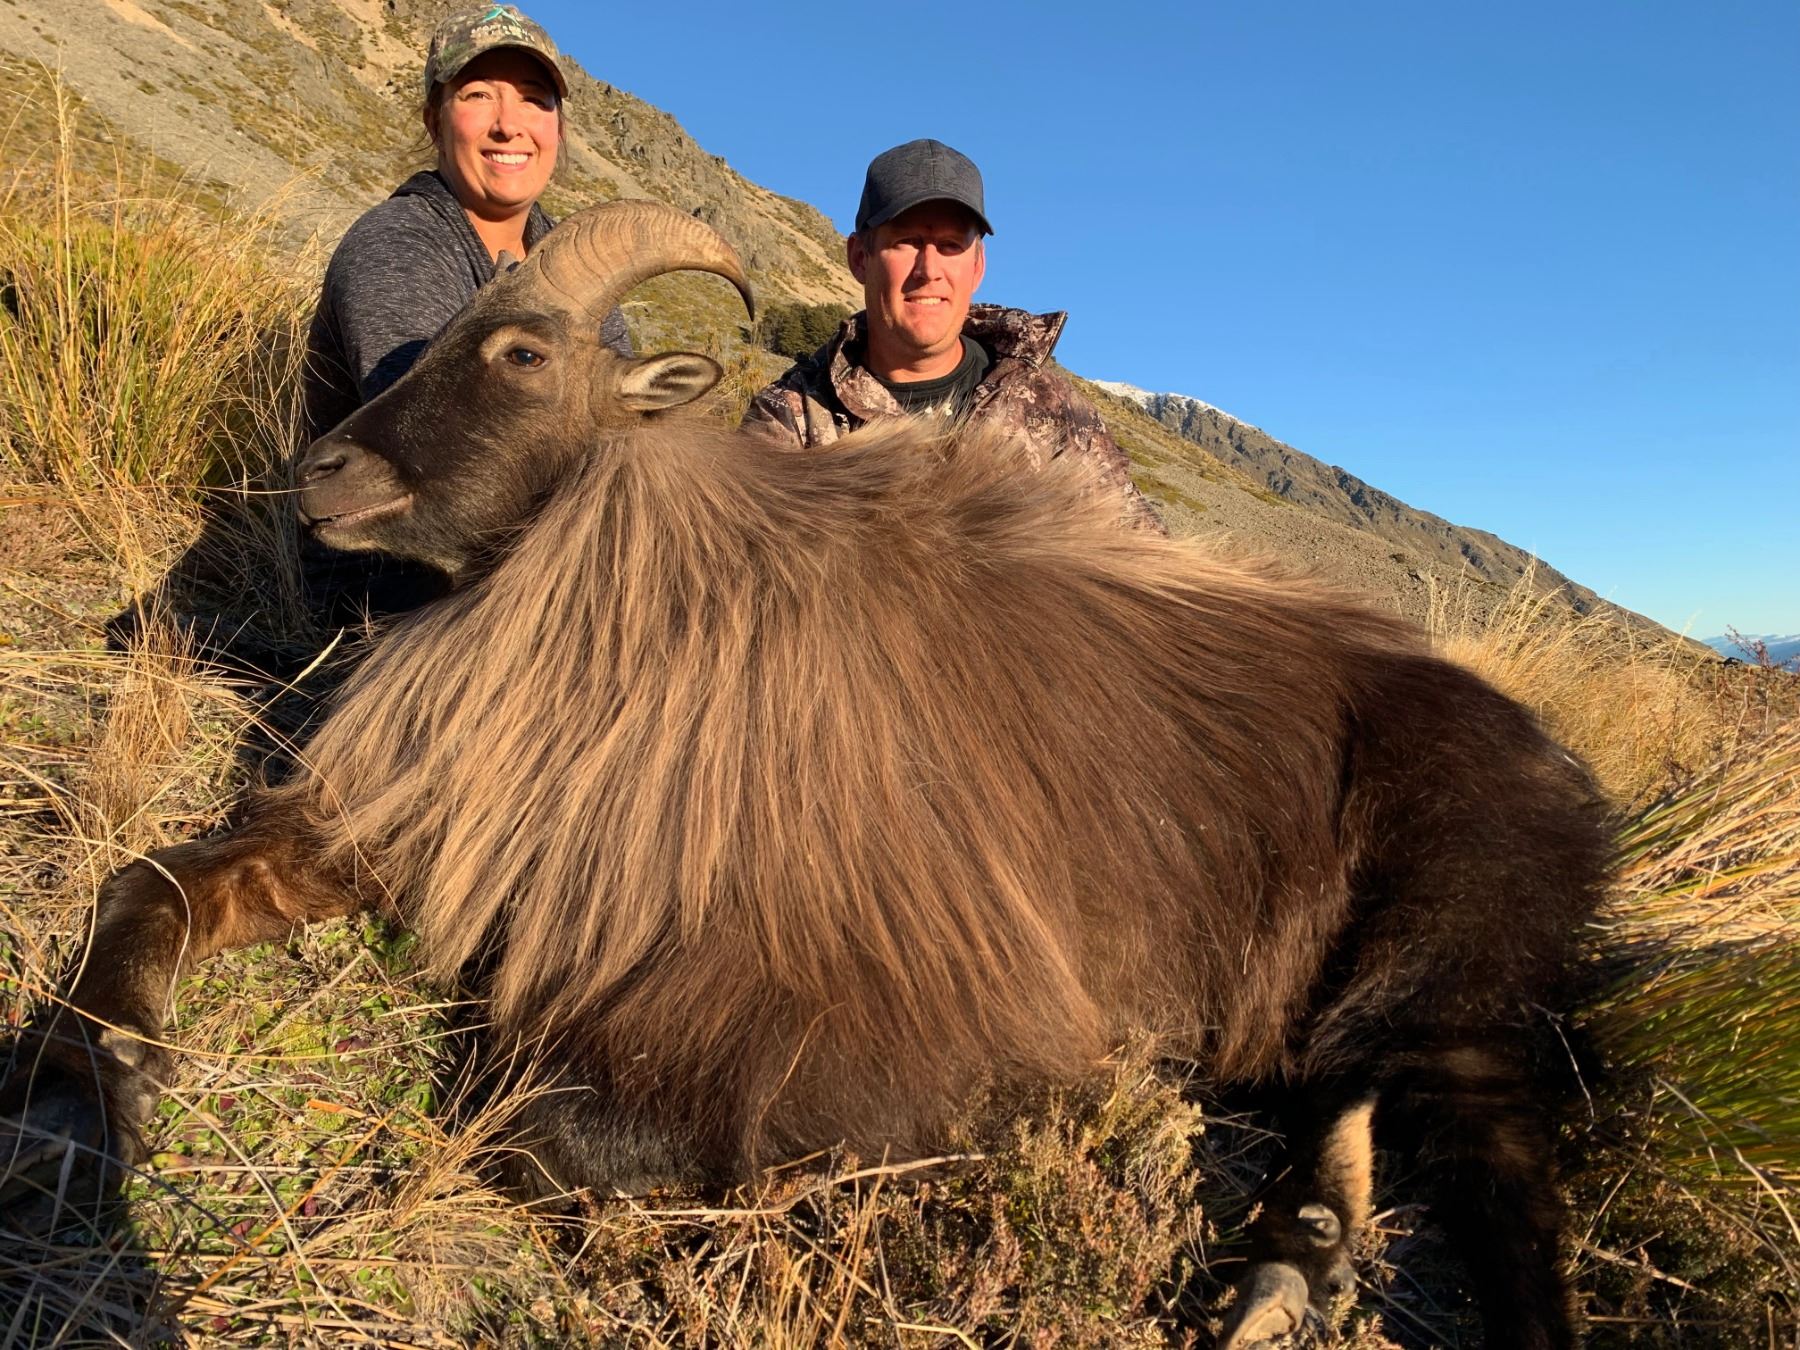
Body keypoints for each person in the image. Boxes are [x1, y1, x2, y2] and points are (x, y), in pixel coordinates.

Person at [299, 4, 630, 616]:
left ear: (558, 128)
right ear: (435, 119)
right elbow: (437, 456)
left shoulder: (573, 271)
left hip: (549, 560)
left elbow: (623, 442)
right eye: (478, 95)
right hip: (398, 589)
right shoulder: (397, 243)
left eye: (534, 99)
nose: (509, 125)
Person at [743, 139, 1160, 529]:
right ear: (859, 258)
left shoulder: (1053, 408)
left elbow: (1142, 554)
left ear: (977, 266)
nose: (929, 270)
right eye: (906, 242)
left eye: (950, 245)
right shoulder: (790, 418)